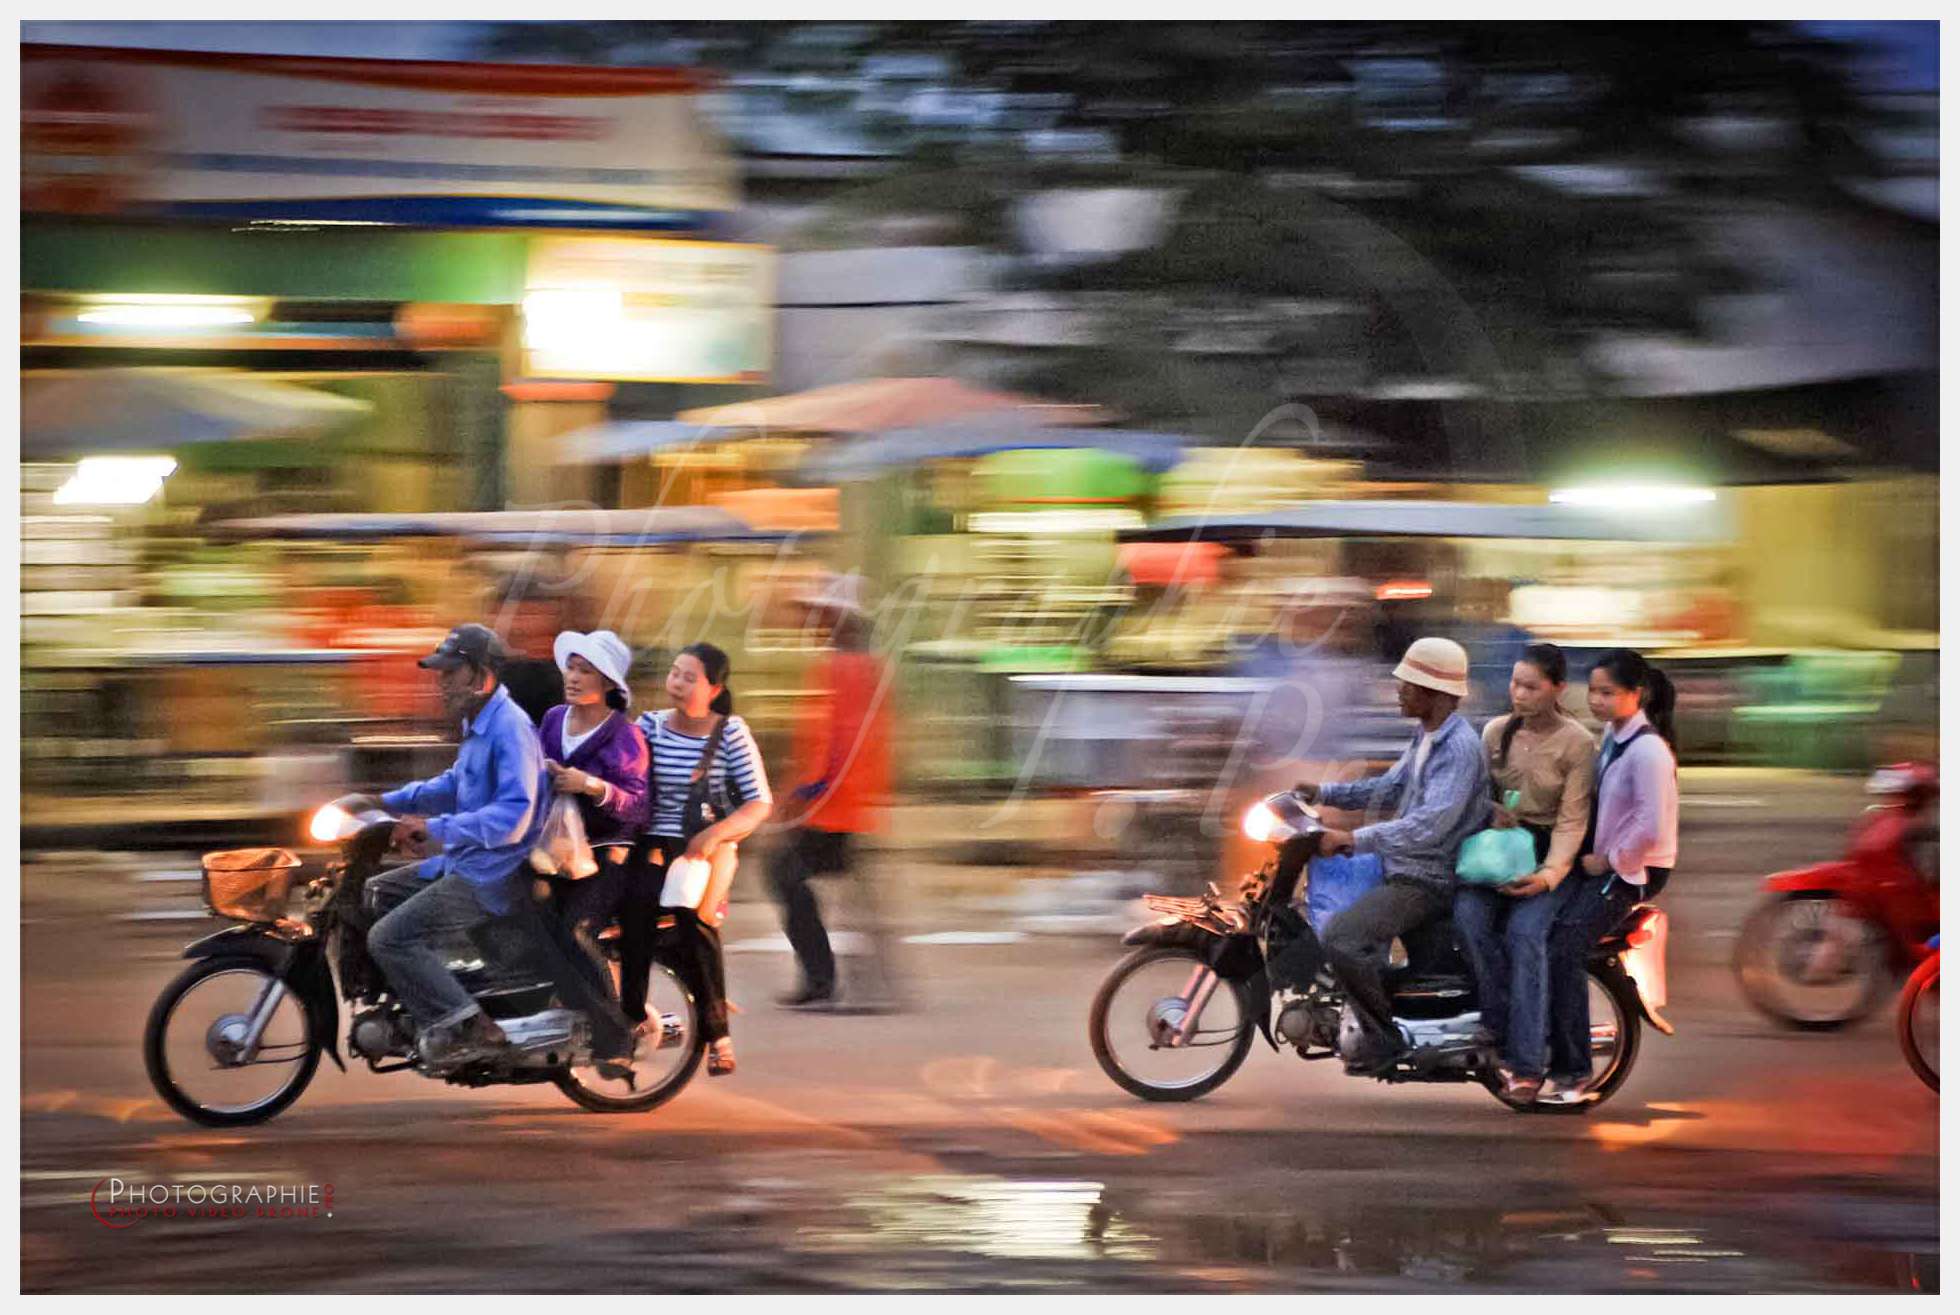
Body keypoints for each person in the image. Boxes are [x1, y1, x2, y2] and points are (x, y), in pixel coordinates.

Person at [367, 624, 632, 1070]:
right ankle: (426, 996)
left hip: (492, 877)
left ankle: (467, 1024)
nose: (441, 681)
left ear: (481, 675)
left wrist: (433, 828)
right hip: (466, 862)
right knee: (374, 892)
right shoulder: (479, 723)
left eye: (450, 672)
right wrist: (384, 802)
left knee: (389, 937)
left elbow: (512, 819)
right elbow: (455, 784)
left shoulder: (509, 729)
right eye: (440, 672)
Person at [1301, 637, 1492, 1074]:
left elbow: (1431, 825)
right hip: (1402, 865)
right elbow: (1387, 787)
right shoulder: (1426, 736)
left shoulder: (1459, 749)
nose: (1399, 690)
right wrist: (1323, 792)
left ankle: (1381, 1040)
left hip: (1425, 880)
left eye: (1409, 684)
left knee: (1343, 938)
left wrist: (1353, 839)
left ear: (1437, 694)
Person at [1452, 643, 1597, 1103]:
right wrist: (1490, 810)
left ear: (1558, 689)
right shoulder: (1495, 732)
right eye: (1516, 684)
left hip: (1551, 853)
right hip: (1499, 851)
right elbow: (1474, 794)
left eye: (1532, 687)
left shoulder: (1578, 743)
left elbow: (1574, 820)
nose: (1520, 694)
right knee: (1469, 919)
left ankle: (1527, 1063)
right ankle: (1495, 1022)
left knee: (1525, 935)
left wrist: (1549, 876)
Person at [1540, 648, 1679, 1106]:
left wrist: (1611, 859)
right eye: (1593, 691)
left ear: (1635, 695)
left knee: (1565, 948)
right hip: (1607, 863)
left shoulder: (1649, 751)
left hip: (1632, 870)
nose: (1596, 700)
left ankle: (1575, 1073)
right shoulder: (1613, 737)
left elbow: (1652, 822)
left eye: (1607, 692)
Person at [631, 642, 773, 1076]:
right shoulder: (649, 726)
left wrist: (714, 836)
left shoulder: (729, 733)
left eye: (690, 677)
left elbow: (759, 803)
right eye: (675, 673)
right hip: (650, 843)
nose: (677, 683)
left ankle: (718, 1034)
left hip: (700, 850)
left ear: (714, 689)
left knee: (694, 921)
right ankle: (624, 1011)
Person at [770, 572, 895, 1010]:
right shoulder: (868, 665)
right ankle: (845, 979)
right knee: (804, 880)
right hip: (851, 805)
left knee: (783, 875)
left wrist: (800, 795)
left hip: (832, 808)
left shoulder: (842, 666)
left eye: (822, 613)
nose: (815, 621)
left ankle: (821, 979)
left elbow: (827, 741)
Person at [538, 630, 650, 992]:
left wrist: (590, 785)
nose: (573, 677)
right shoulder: (554, 719)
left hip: (604, 856)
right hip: (551, 850)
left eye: (585, 671)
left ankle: (612, 1028)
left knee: (575, 931)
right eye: (570, 668)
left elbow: (637, 805)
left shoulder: (625, 736)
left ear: (606, 683)